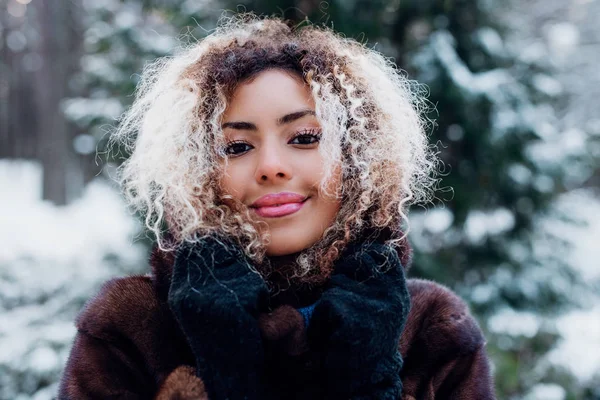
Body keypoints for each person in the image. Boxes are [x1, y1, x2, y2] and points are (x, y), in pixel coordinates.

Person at [58, 14, 496, 400]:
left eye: (304, 138)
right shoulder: (129, 326)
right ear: (197, 168)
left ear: (359, 156)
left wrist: (368, 380)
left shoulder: (433, 332)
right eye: (237, 146)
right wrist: (225, 369)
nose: (270, 167)